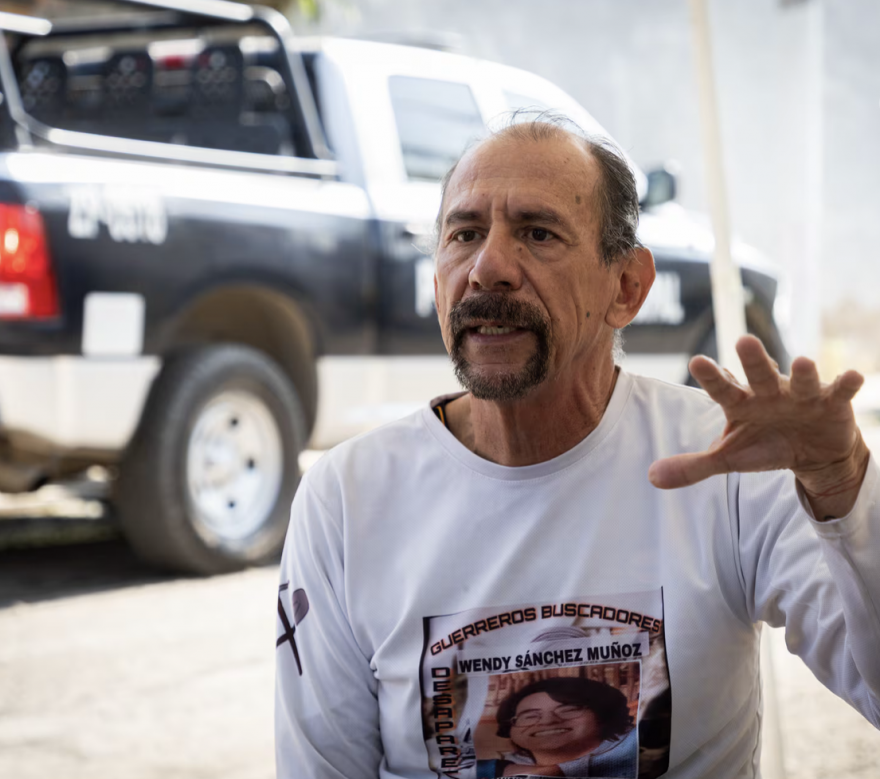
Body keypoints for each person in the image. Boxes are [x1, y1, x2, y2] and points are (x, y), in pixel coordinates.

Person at [274, 114, 879, 779]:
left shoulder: (722, 461)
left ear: (626, 287)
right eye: (465, 234)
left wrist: (841, 484)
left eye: (538, 233)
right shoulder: (347, 497)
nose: (488, 268)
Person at [477, 676, 638, 778]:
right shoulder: (485, 770)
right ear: (510, 729)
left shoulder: (636, 748)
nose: (548, 721)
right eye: (530, 716)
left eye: (568, 710)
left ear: (603, 716)